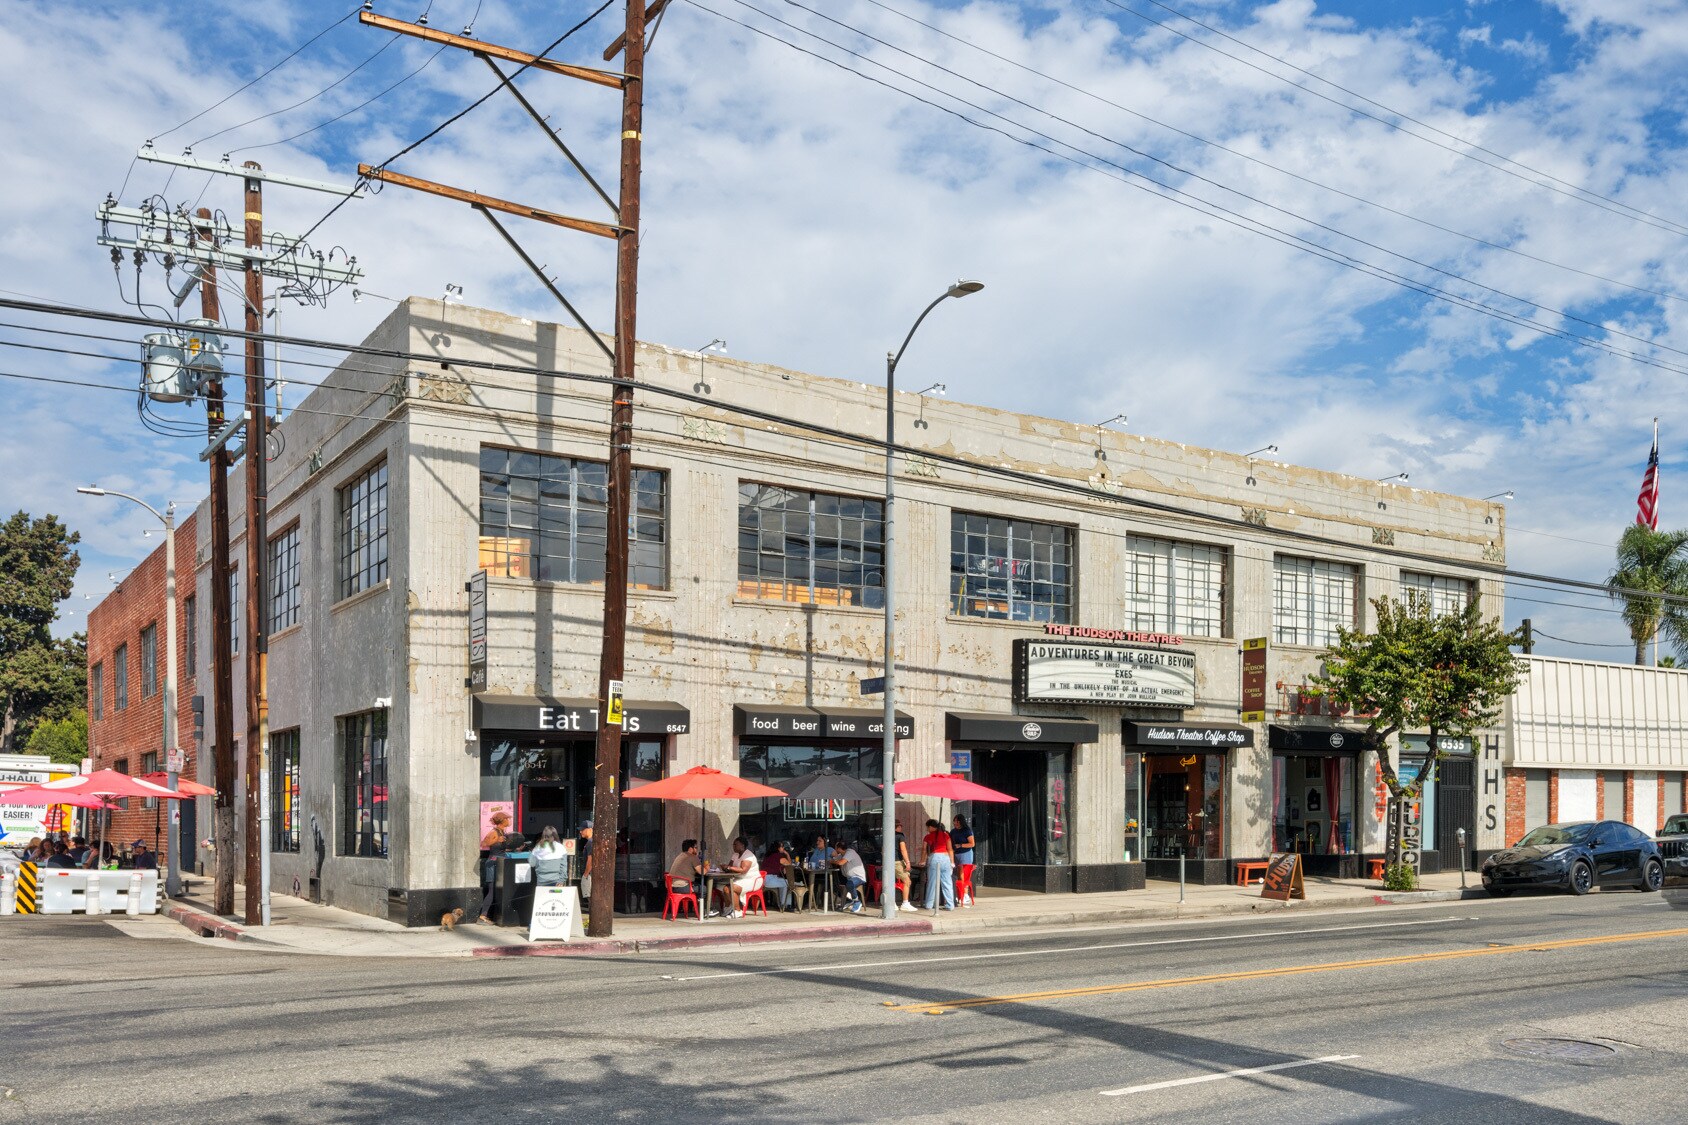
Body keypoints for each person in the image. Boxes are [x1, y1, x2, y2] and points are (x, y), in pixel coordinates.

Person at [478, 810, 511, 923]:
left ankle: (493, 915)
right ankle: (483, 916)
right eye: (507, 819)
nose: (509, 820)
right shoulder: (495, 832)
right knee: (492, 891)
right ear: (502, 821)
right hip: (492, 863)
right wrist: (497, 839)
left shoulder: (502, 832)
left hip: (501, 862)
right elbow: (483, 844)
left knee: (498, 890)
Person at [719, 836, 759, 919]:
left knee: (732, 888)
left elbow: (743, 870)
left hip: (751, 880)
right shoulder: (735, 855)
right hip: (739, 879)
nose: (733, 846)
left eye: (735, 844)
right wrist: (725, 867)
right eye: (733, 845)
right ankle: (729, 908)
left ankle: (737, 911)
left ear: (742, 845)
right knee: (726, 889)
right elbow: (730, 866)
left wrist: (729, 868)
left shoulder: (748, 855)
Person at [922, 818, 955, 912]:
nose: (927, 829)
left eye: (928, 827)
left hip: (935, 857)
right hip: (946, 858)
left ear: (932, 827)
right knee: (947, 883)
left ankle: (929, 904)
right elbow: (950, 849)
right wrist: (952, 863)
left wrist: (922, 861)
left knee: (932, 882)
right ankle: (950, 905)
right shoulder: (946, 835)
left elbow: (924, 850)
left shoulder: (928, 836)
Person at [831, 842, 868, 913]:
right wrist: (832, 859)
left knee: (850, 883)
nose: (835, 850)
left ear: (838, 849)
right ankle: (848, 900)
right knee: (835, 885)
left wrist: (832, 861)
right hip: (849, 877)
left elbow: (840, 862)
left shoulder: (850, 852)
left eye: (835, 848)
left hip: (858, 877)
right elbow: (835, 859)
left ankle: (857, 901)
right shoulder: (841, 855)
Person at [950, 815, 976, 907]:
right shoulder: (953, 831)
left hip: (965, 854)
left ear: (962, 822)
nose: (955, 823)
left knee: (964, 874)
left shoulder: (967, 831)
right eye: (954, 821)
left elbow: (972, 844)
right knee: (956, 874)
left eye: (957, 821)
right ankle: (958, 894)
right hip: (955, 854)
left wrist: (960, 845)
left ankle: (965, 895)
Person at [762, 840, 793, 910]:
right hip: (771, 879)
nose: (783, 848)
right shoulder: (779, 856)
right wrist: (787, 854)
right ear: (778, 848)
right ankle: (785, 904)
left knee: (783, 882)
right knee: (788, 883)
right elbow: (789, 865)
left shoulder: (767, 855)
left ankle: (780, 903)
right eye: (782, 847)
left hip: (763, 879)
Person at [894, 824, 916, 911]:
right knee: (907, 881)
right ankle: (905, 903)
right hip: (897, 861)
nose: (901, 827)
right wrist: (907, 862)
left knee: (891, 882)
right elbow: (903, 850)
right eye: (899, 826)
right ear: (897, 827)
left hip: (888, 861)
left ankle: (892, 903)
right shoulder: (900, 836)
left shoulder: (886, 835)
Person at [576, 820, 595, 904]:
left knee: (590, 898)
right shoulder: (590, 842)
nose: (580, 832)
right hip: (591, 874)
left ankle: (593, 916)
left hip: (590, 875)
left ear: (590, 829)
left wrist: (586, 874)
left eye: (583, 829)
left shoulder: (590, 842)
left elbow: (590, 859)